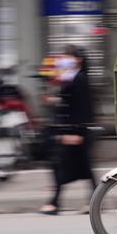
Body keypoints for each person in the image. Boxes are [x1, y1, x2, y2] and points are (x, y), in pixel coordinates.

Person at [39, 46, 96, 215]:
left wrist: (77, 132)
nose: (63, 60)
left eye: (67, 57)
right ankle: (93, 201)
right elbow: (69, 100)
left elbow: (84, 106)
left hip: (75, 131)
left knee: (60, 166)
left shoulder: (80, 78)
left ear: (77, 59)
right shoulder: (72, 77)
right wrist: (53, 99)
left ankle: (55, 203)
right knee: (82, 167)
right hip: (71, 129)